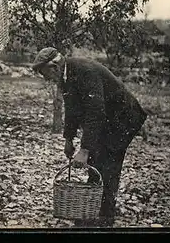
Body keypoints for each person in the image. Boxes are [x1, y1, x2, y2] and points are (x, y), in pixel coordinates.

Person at [32, 47, 148, 227]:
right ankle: (93, 208)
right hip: (107, 119)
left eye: (45, 73)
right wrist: (69, 139)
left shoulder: (84, 71)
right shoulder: (66, 77)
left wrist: (84, 149)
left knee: (107, 162)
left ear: (54, 66)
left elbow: (95, 112)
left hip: (123, 118)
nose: (46, 78)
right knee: (96, 159)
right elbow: (72, 110)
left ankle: (104, 216)